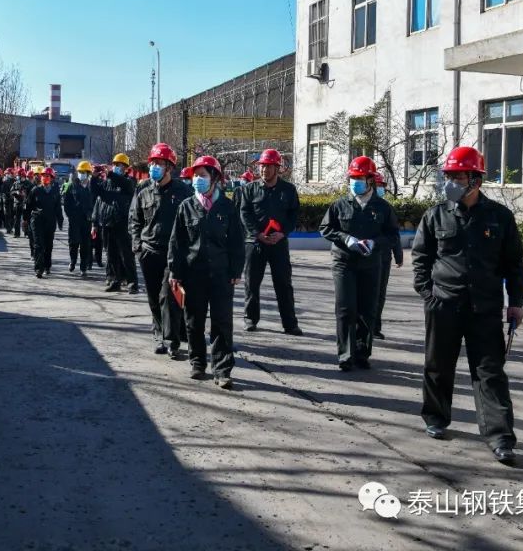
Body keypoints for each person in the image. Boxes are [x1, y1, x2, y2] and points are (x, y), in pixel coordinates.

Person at [412, 146, 523, 465]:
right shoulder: (435, 215)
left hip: (485, 308)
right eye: (449, 176)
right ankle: (436, 418)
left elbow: (514, 263)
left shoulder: (500, 217)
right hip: (443, 305)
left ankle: (500, 437)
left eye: (458, 177)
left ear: (476, 179)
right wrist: (428, 294)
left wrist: (516, 302)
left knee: (490, 372)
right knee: (438, 365)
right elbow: (421, 258)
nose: (451, 182)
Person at [318, 156, 400, 371]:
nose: (355, 182)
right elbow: (325, 228)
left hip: (371, 263)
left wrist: (374, 243)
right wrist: (346, 239)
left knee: (367, 309)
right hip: (344, 262)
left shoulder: (383, 207)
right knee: (345, 308)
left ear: (370, 180)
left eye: (360, 178)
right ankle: (345, 355)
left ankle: (362, 353)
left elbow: (392, 235)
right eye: (353, 178)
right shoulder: (339, 204)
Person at [168, 156, 243, 389]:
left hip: (221, 275)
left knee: (222, 323)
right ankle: (198, 362)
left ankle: (222, 369)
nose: (197, 180)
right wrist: (175, 272)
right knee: (194, 321)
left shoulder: (228, 207)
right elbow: (177, 243)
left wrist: (236, 270)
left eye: (202, 175)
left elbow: (237, 242)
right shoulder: (186, 206)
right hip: (194, 274)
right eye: (195, 175)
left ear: (215, 178)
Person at [129, 143, 191, 357]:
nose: (154, 167)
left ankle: (172, 340)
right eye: (152, 163)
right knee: (154, 297)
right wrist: (137, 246)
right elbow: (134, 219)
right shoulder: (143, 189)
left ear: (169, 167)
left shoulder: (183, 192)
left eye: (159, 163)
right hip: (148, 252)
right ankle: (159, 333)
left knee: (169, 296)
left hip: (173, 254)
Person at [235, 148, 302, 336]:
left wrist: (282, 233)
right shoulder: (249, 189)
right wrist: (257, 234)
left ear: (277, 168)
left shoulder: (289, 190)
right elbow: (244, 213)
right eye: (262, 166)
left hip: (278, 244)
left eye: (269, 166)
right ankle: (250, 319)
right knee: (252, 283)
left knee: (283, 284)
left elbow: (293, 215)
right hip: (255, 243)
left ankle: (290, 324)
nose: (264, 170)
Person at [93, 153, 139, 293]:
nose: (116, 167)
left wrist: (111, 174)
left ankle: (132, 283)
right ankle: (114, 280)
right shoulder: (107, 182)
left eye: (119, 165)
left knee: (126, 254)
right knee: (111, 254)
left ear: (125, 168)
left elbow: (124, 184)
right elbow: (96, 192)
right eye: (115, 165)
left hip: (123, 223)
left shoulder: (130, 181)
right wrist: (94, 177)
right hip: (108, 223)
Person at [372, 172, 403, 340]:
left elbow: (394, 233)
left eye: (382, 186)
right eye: (378, 186)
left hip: (383, 257)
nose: (380, 189)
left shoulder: (386, 208)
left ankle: (375, 327)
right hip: (365, 256)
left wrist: (398, 255)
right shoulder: (359, 206)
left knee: (380, 293)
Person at [27, 167, 64, 278]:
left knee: (48, 246)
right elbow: (28, 205)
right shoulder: (35, 190)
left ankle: (47, 266)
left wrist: (60, 220)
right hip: (37, 221)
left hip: (50, 222)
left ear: (51, 178)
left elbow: (58, 208)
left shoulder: (55, 192)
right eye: (43, 176)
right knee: (38, 245)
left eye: (47, 176)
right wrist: (25, 220)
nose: (45, 178)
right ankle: (39, 268)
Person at [62, 161, 96, 276]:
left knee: (85, 244)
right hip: (74, 220)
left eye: (84, 172)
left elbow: (95, 203)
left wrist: (92, 216)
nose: (81, 174)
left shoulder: (92, 187)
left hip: (87, 220)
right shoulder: (72, 186)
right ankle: (73, 261)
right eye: (80, 172)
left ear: (88, 173)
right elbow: (66, 202)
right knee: (73, 242)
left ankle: (83, 267)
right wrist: (70, 215)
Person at [11, 169, 31, 239]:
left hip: (25, 203)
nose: (20, 177)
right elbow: (11, 192)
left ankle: (27, 233)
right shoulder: (15, 183)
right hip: (17, 203)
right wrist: (16, 192)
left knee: (26, 219)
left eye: (21, 176)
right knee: (17, 219)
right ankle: (17, 233)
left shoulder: (28, 183)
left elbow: (32, 193)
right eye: (19, 176)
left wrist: (26, 194)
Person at [1, 168, 17, 235]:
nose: (8, 175)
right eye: (7, 174)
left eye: (9, 173)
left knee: (12, 215)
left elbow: (17, 190)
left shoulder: (15, 181)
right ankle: (8, 229)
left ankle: (10, 228)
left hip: (13, 201)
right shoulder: (4, 182)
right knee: (7, 215)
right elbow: (3, 192)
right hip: (7, 201)